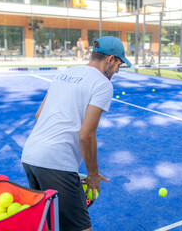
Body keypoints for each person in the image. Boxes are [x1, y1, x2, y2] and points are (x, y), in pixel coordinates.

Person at [21, 36, 131, 231]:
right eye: (119, 64)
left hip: (30, 156)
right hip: (57, 164)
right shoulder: (103, 84)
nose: (117, 70)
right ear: (110, 59)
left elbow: (39, 114)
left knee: (48, 222)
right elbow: (86, 135)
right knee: (82, 228)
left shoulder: (65, 73)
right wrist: (93, 174)